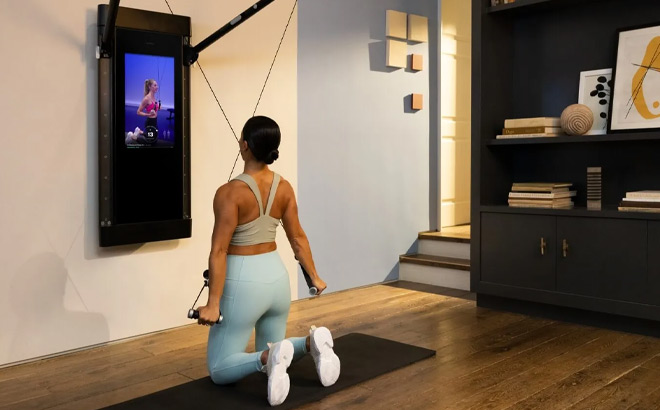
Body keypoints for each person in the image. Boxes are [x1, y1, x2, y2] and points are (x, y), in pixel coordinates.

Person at [196, 116, 340, 406]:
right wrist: (314, 276)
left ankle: (266, 358)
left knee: (219, 368)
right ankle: (312, 343)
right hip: (276, 280)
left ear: (245, 146)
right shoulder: (284, 187)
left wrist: (213, 304)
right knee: (276, 346)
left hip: (243, 284)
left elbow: (219, 251)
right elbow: (297, 237)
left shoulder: (229, 193)